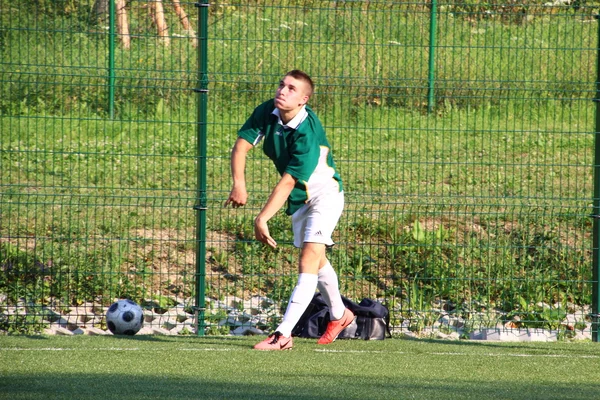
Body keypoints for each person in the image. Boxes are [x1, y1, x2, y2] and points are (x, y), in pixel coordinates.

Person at [224, 70, 355, 350]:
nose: (283, 91)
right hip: (300, 199)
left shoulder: (307, 130)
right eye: (281, 85)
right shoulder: (267, 111)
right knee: (317, 261)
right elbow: (240, 147)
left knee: (308, 257)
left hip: (325, 194)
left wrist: (262, 217)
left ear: (304, 99)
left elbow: (288, 181)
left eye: (292, 89)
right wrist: (239, 185)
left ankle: (283, 335)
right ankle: (340, 315)